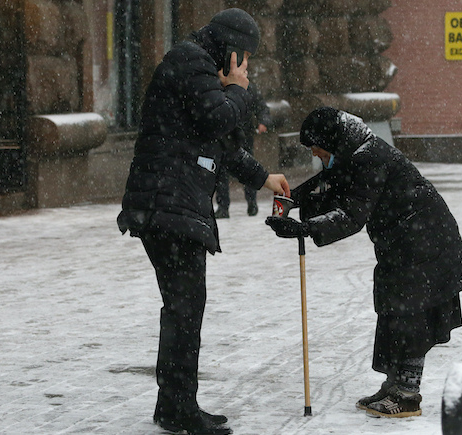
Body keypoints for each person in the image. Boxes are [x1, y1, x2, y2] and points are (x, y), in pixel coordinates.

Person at [116, 8, 290, 435]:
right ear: (231, 50)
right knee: (184, 310)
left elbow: (223, 145)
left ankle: (173, 404)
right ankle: (178, 409)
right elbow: (219, 119)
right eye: (244, 56)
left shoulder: (199, 68)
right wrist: (240, 90)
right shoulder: (191, 60)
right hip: (167, 204)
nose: (245, 65)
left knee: (183, 309)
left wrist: (264, 178)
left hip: (172, 204)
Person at [265, 107, 462, 418]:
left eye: (320, 152)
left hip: (425, 242)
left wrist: (305, 229)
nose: (320, 158)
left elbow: (351, 215)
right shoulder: (354, 150)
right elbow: (332, 182)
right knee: (393, 306)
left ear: (331, 142)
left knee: (410, 312)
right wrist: (295, 197)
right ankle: (394, 384)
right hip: (405, 242)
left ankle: (407, 394)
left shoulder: (368, 156)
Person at [214, 82, 272, 218]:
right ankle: (223, 206)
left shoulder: (247, 85)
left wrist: (263, 120)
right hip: (225, 134)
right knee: (221, 172)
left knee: (247, 166)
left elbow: (260, 105)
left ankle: (251, 202)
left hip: (243, 133)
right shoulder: (218, 85)